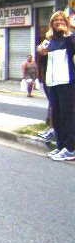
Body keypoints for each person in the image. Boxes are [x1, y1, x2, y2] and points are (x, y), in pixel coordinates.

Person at [37, 11, 75, 161]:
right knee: (57, 116)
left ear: (66, 22)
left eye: (61, 20)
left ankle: (71, 148)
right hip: (52, 83)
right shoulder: (50, 41)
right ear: (51, 23)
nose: (59, 22)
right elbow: (44, 63)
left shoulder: (69, 38)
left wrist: (67, 33)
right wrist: (42, 53)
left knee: (68, 116)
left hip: (66, 82)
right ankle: (60, 146)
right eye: (56, 20)